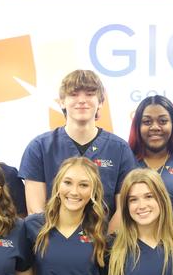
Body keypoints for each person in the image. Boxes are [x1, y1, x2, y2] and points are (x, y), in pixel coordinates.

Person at [20, 69, 135, 229]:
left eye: (89, 94)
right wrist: (60, 244)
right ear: (61, 102)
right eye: (73, 94)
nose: (82, 100)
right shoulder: (39, 147)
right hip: (51, 245)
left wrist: (107, 244)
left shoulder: (120, 149)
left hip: (105, 247)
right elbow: (35, 211)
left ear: (101, 101)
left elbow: (123, 209)